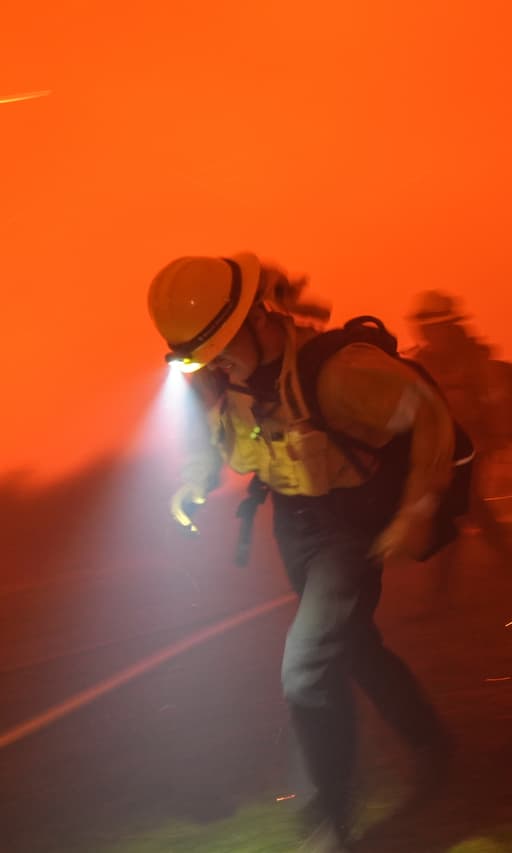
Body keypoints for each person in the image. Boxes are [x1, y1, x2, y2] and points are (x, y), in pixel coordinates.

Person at [148, 254, 460, 850]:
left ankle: (329, 818)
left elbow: (430, 415)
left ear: (256, 319)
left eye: (219, 350)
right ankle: (431, 743)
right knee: (358, 649)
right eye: (202, 357)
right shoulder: (216, 373)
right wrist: (195, 476)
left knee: (306, 668)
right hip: (293, 526)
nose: (213, 366)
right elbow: (215, 435)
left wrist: (416, 508)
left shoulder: (341, 373)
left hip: (349, 529)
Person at [405, 291, 512, 598]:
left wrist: (503, 452)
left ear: (446, 326)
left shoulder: (476, 361)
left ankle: (440, 592)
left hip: (476, 444)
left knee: (460, 506)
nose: (424, 332)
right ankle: (508, 553)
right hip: (445, 448)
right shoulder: (423, 361)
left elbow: (498, 404)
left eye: (430, 326)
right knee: (469, 506)